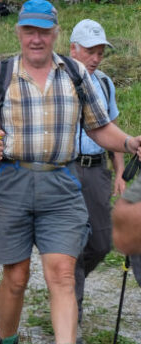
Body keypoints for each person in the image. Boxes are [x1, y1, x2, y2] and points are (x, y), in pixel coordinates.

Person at [0, 0, 141, 344]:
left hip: (60, 182)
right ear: (18, 33)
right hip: (11, 182)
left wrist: (130, 143)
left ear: (56, 34)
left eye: (44, 31)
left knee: (62, 275)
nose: (36, 39)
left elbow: (99, 128)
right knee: (16, 277)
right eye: (30, 31)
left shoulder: (75, 74)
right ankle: (7, 338)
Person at [66, 19, 127, 331]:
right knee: (74, 243)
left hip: (96, 169)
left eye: (101, 53)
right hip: (64, 169)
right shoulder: (58, 83)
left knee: (102, 243)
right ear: (72, 49)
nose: (95, 58)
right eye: (90, 51)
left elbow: (110, 128)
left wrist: (119, 172)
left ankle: (63, 285)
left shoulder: (104, 83)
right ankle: (70, 314)